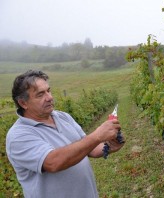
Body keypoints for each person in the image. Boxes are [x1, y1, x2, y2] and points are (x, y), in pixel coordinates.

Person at [6, 70, 125, 198]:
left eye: (48, 90)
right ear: (23, 103)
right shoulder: (18, 136)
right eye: (40, 94)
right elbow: (52, 162)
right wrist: (97, 136)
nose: (49, 97)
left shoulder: (63, 117)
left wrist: (107, 146)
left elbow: (89, 149)